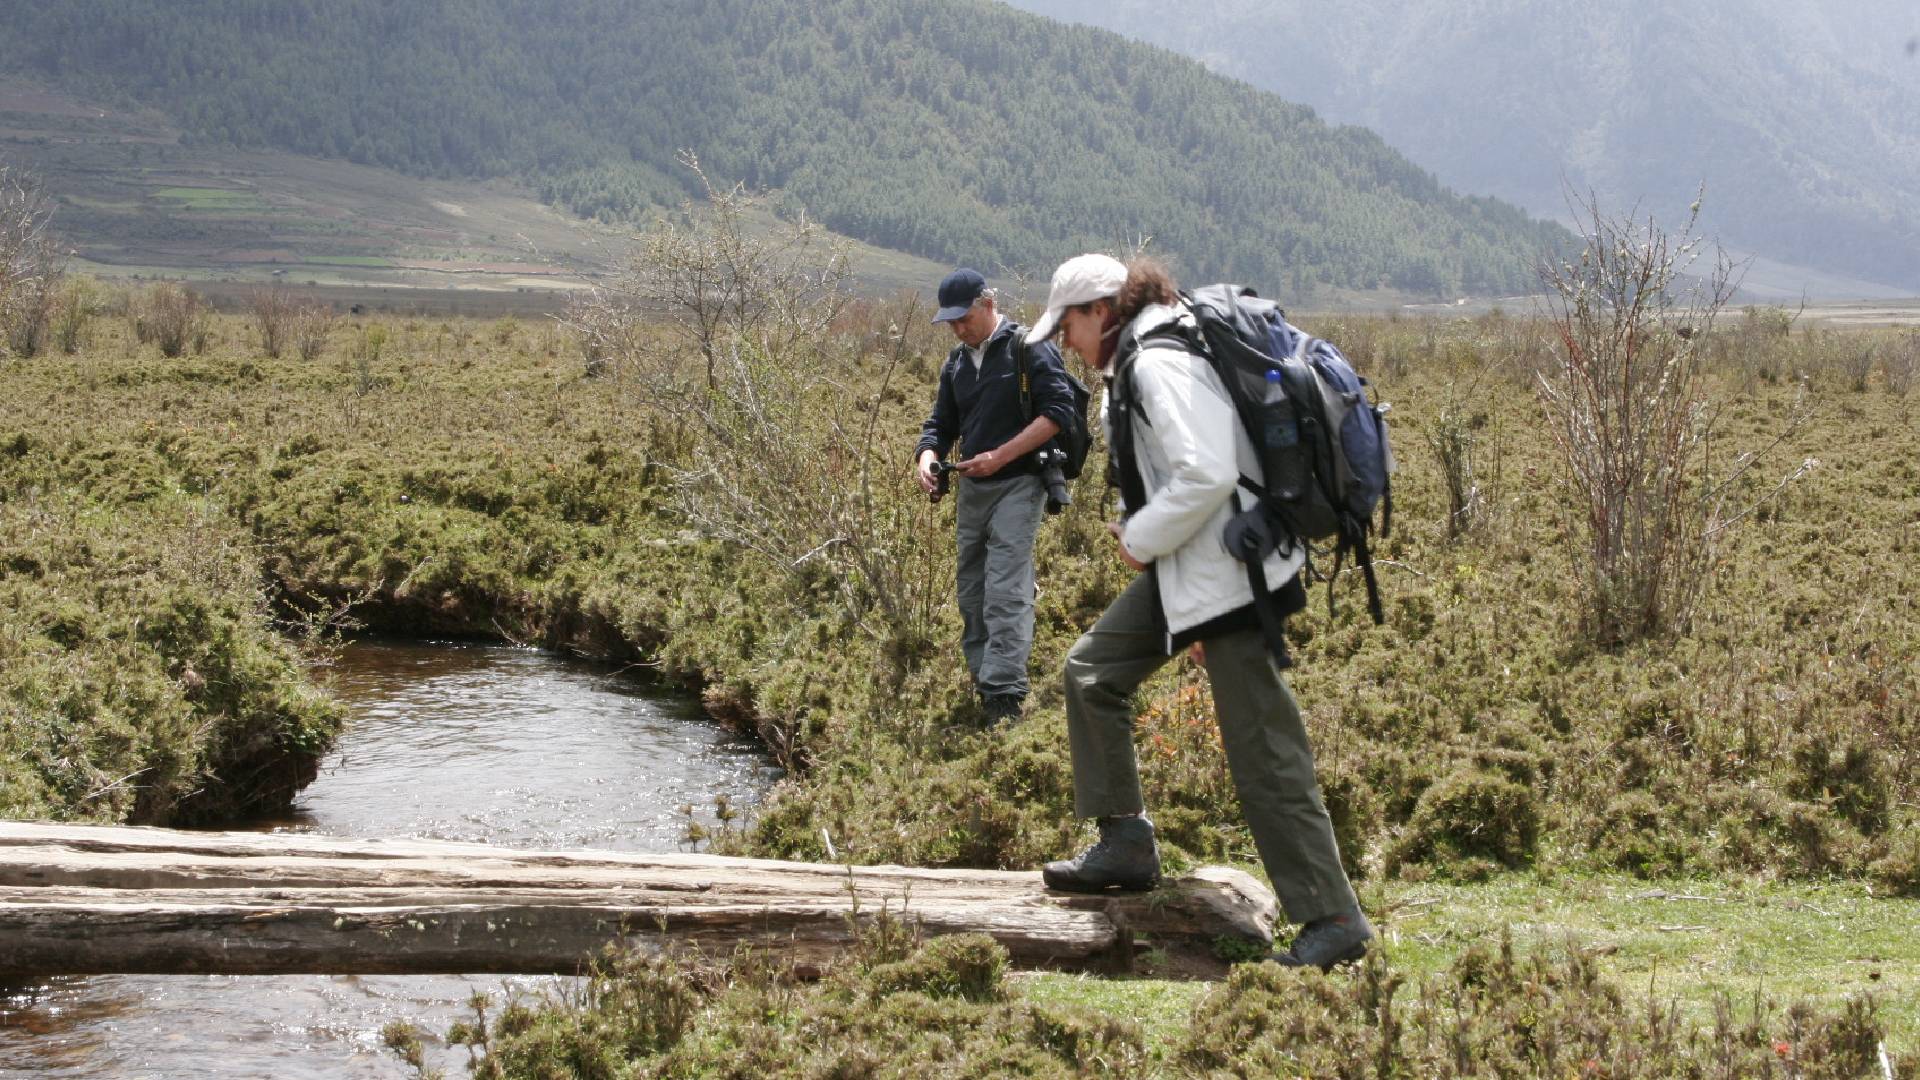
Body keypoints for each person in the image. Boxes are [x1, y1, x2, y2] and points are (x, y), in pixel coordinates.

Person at [1026, 253, 1373, 970]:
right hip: (1198, 569)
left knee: (1264, 751)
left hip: (1230, 578)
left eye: (1068, 325)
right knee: (1093, 671)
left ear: (1101, 311)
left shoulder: (1156, 362)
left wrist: (1143, 537)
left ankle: (1332, 917)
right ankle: (1125, 842)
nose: (1065, 341)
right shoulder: (1146, 354)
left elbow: (1207, 471)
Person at [915, 268, 1076, 724]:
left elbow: (1058, 412)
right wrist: (927, 458)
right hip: (973, 488)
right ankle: (983, 677)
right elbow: (939, 426)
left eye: (964, 318)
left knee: (1005, 586)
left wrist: (1001, 456)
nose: (958, 328)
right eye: (950, 322)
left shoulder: (1029, 347)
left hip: (1022, 482)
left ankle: (1004, 695)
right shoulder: (957, 363)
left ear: (988, 304)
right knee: (972, 588)